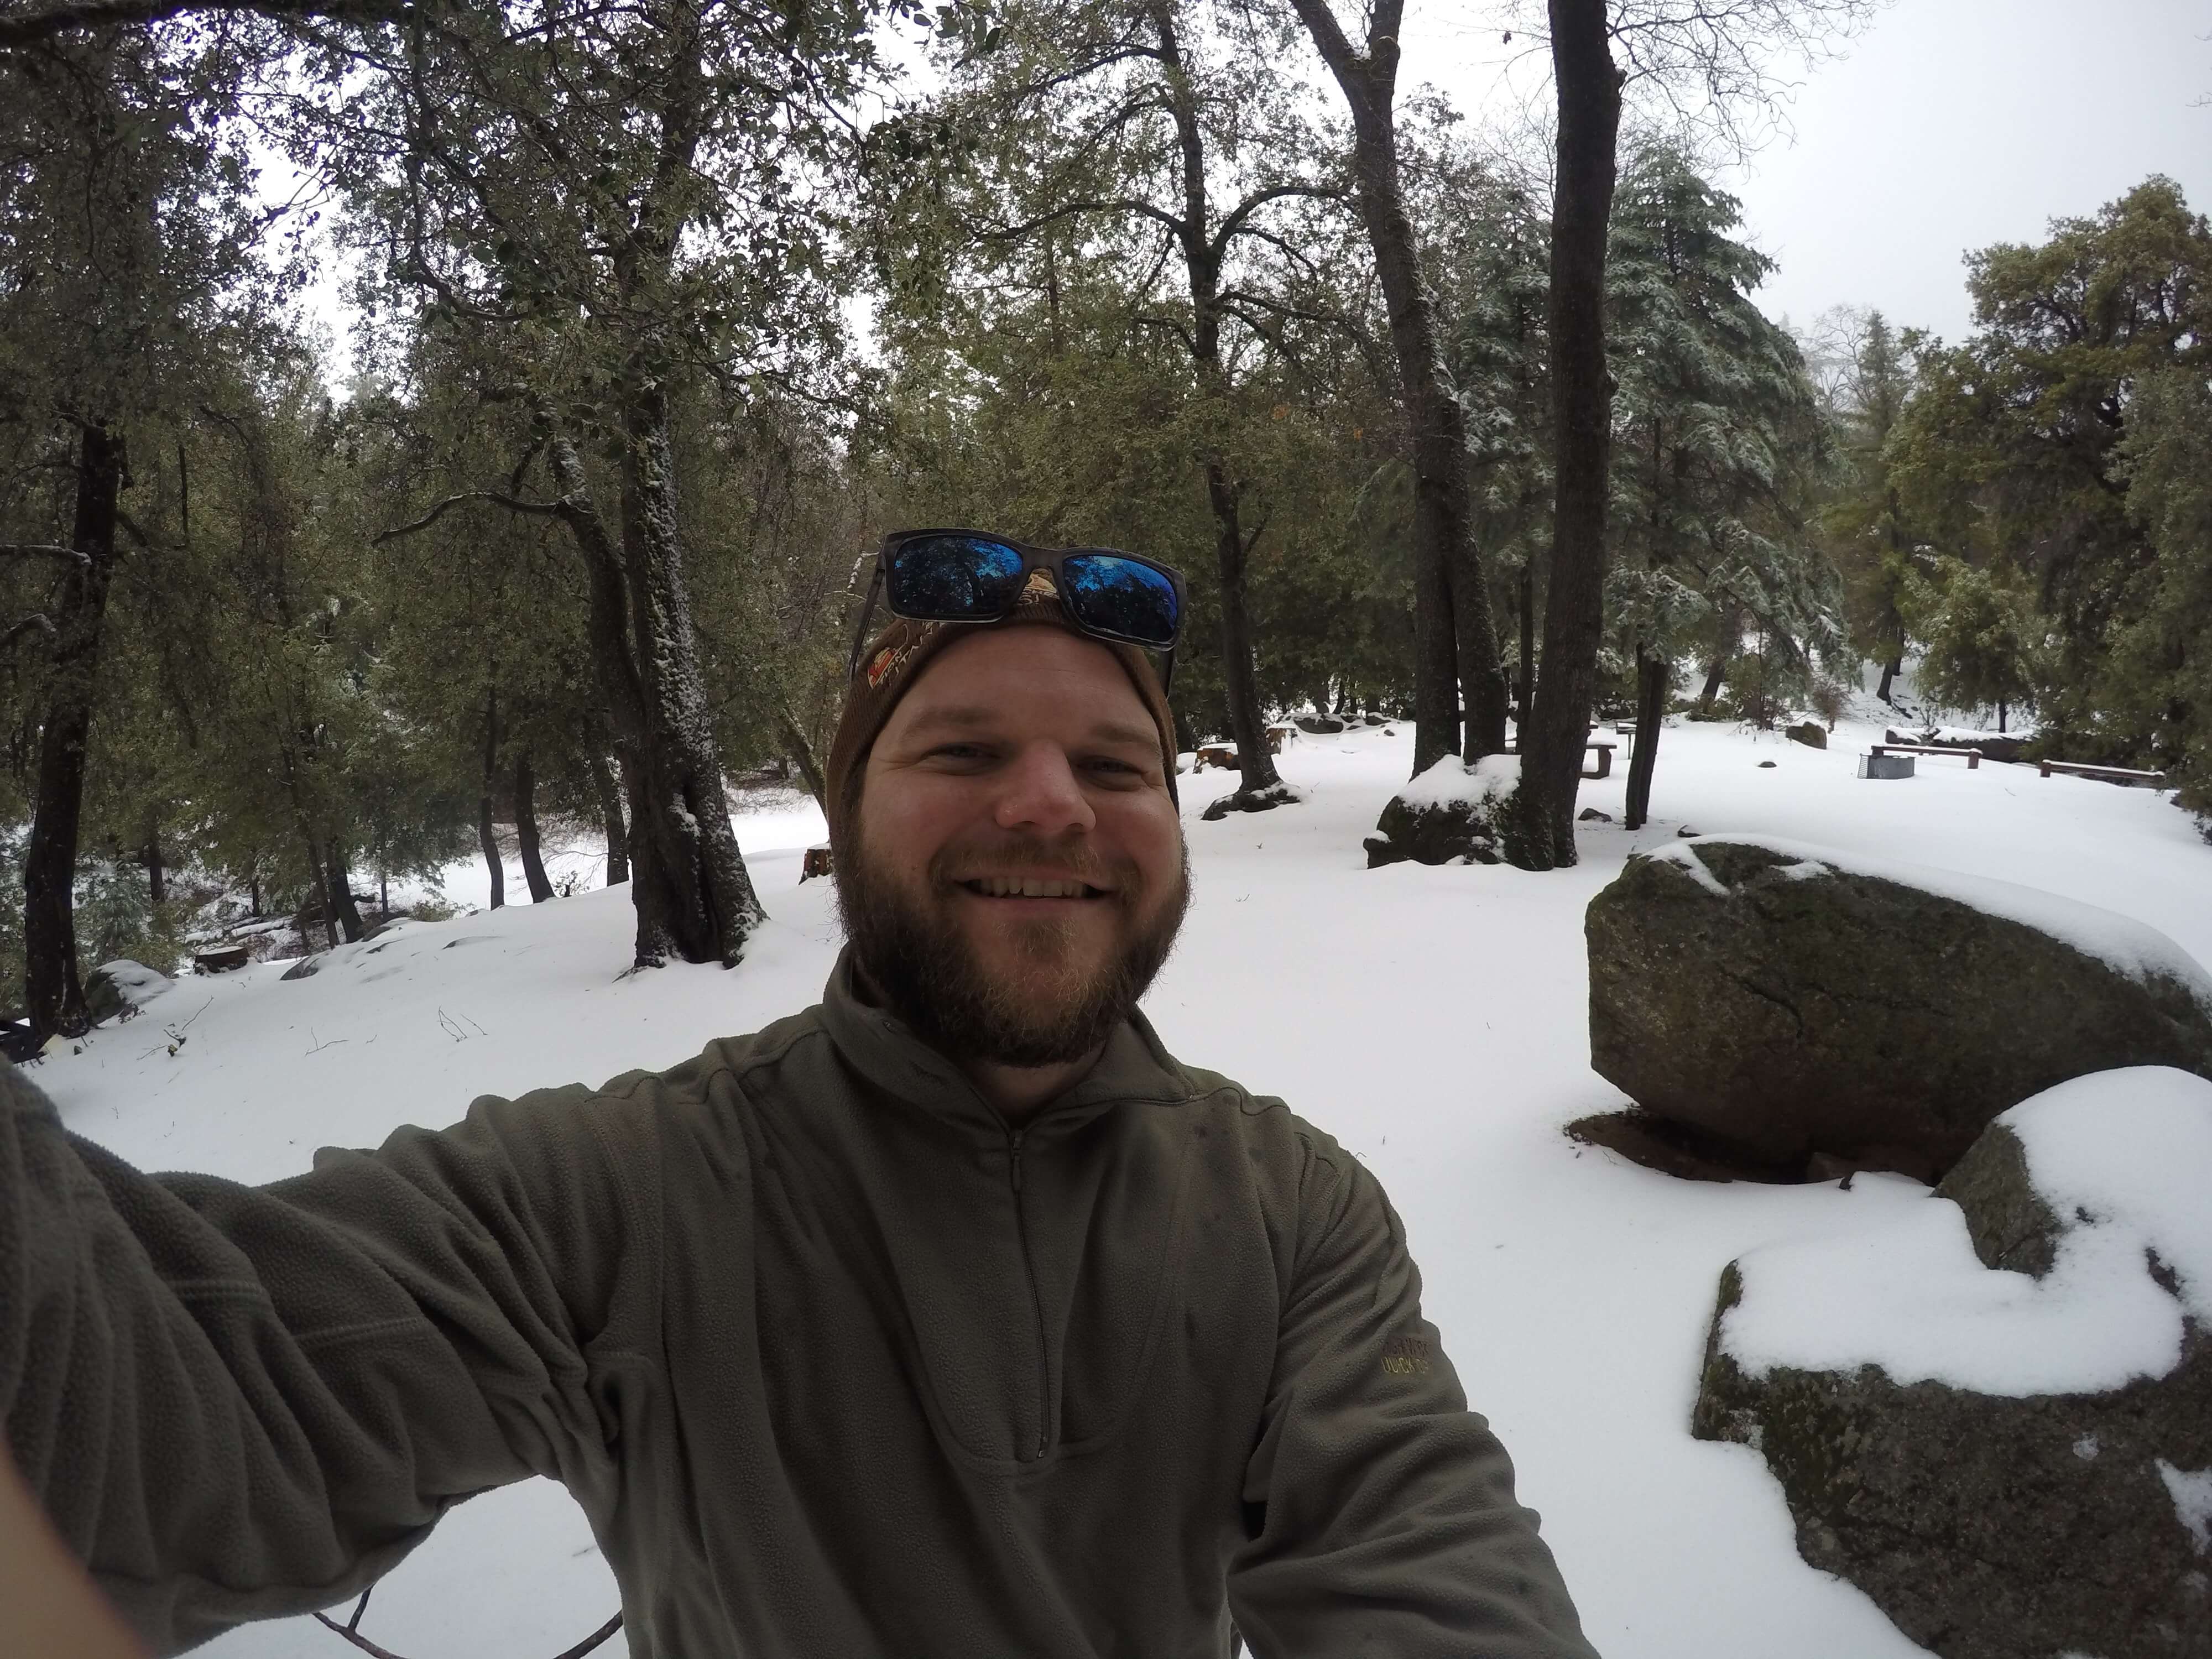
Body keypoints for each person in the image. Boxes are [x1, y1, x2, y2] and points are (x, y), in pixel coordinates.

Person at [0, 529, 1598, 1658]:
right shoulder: (618, 1194)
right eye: (967, 752)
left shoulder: (1291, 1207)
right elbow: (180, 1400)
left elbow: (1426, 1564)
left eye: (1117, 769)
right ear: (849, 811)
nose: (1052, 805)